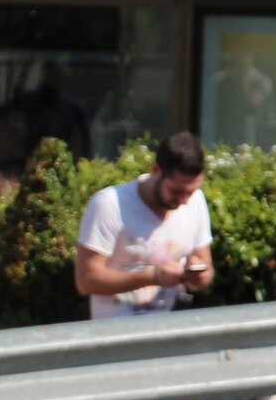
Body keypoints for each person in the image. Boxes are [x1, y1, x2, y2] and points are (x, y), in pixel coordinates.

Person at [75, 131, 214, 321]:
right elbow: (86, 281)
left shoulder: (195, 202)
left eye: (191, 192)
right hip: (116, 334)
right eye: (176, 191)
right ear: (156, 169)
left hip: (171, 329)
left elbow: (206, 272)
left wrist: (198, 275)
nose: (184, 201)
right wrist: (153, 276)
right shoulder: (109, 204)